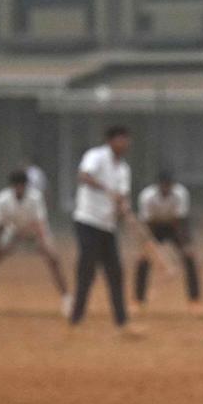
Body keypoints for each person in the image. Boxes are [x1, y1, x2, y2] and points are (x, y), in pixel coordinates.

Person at [0, 169, 67, 316]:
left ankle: (67, 301)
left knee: (54, 259)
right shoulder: (1, 200)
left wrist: (45, 245)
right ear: (11, 186)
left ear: (26, 185)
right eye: (17, 186)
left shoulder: (36, 198)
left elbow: (39, 224)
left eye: (22, 185)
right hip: (12, 233)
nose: (20, 189)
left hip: (34, 234)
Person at [70, 125, 135, 331]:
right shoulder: (96, 156)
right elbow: (84, 176)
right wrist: (107, 190)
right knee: (87, 268)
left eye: (126, 139)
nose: (125, 143)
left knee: (115, 271)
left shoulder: (124, 169)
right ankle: (76, 316)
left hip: (108, 226)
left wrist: (123, 207)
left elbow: (123, 196)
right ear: (110, 141)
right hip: (88, 220)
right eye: (121, 139)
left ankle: (121, 320)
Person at [135, 170, 202, 307]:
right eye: (164, 185)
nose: (166, 188)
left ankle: (194, 299)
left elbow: (180, 222)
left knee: (189, 257)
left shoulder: (181, 194)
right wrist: (148, 246)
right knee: (143, 259)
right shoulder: (147, 196)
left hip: (174, 227)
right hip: (154, 227)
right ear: (158, 185)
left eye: (169, 185)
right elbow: (147, 224)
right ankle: (139, 299)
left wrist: (186, 245)